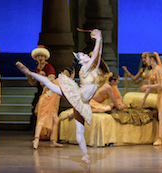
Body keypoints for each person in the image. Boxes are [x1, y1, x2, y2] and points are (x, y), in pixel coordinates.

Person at [16, 28, 103, 170]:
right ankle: (28, 72)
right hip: (78, 95)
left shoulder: (93, 67)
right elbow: (95, 56)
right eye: (82, 55)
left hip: (83, 103)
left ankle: (85, 155)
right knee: (51, 84)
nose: (86, 55)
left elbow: (97, 57)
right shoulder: (85, 67)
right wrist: (98, 39)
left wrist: (100, 40)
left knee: (80, 131)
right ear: (81, 61)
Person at [33, 67, 75, 149]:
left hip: (50, 101)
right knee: (42, 119)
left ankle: (52, 141)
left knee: (55, 120)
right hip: (47, 100)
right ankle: (36, 139)